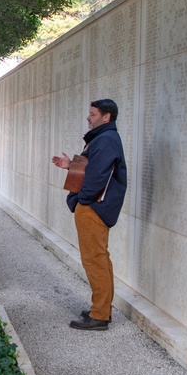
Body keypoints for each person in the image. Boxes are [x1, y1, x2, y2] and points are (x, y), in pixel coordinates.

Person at [51, 99, 128, 331]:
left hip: (94, 207)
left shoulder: (106, 139)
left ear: (107, 117)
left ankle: (99, 316)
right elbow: (92, 168)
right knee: (100, 259)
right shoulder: (104, 139)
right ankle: (101, 309)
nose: (88, 117)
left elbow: (97, 178)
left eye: (93, 114)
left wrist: (82, 200)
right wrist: (70, 165)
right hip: (94, 205)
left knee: (94, 260)